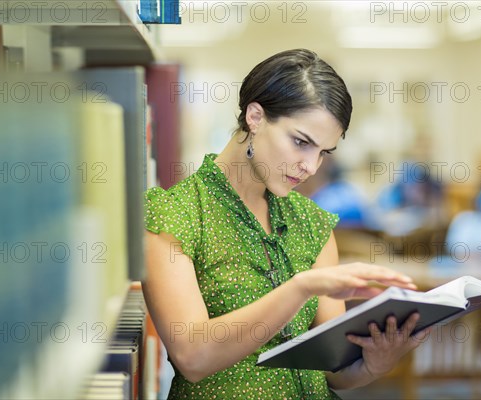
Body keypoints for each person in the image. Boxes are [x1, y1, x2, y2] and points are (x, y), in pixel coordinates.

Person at [142, 49, 427, 400]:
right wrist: (300, 288)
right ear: (255, 117)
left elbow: (330, 370)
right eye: (301, 142)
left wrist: (373, 365)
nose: (310, 166)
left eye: (324, 152)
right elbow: (193, 357)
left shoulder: (311, 222)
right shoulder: (174, 215)